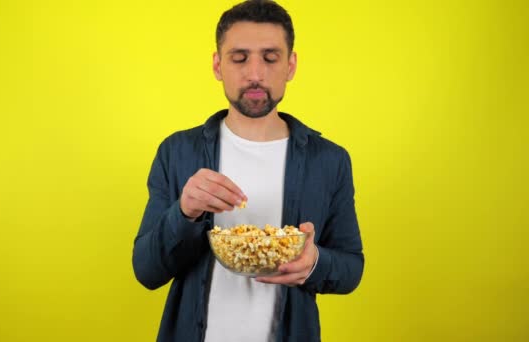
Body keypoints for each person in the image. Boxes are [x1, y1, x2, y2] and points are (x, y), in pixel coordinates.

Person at [132, 1, 364, 341]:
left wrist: (314, 262)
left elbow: (351, 268)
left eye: (270, 58)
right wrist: (184, 212)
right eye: (239, 58)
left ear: (291, 65)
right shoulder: (177, 152)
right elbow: (147, 270)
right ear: (217, 65)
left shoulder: (329, 160)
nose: (255, 74)